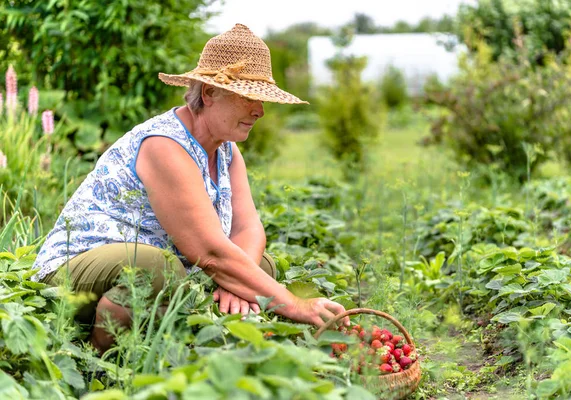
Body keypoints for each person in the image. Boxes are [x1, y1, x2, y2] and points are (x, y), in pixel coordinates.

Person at [31, 23, 349, 353]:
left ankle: (191, 347)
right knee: (156, 270)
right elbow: (210, 253)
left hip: (170, 267)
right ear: (209, 93)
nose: (260, 110)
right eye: (247, 97)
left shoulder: (226, 149)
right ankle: (98, 356)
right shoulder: (164, 145)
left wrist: (237, 285)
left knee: (259, 268)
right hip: (74, 272)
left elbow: (248, 227)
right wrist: (294, 305)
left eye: (261, 98)